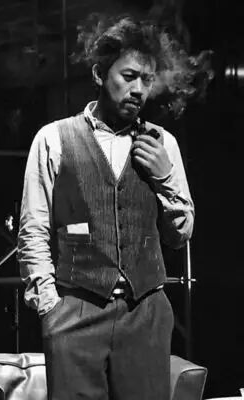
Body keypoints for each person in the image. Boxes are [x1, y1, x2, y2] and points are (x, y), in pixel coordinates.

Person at [17, 14, 196, 400]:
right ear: (100, 74)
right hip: (75, 311)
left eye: (147, 80)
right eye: (128, 76)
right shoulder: (54, 138)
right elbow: (33, 229)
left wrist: (165, 177)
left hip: (145, 313)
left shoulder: (162, 144)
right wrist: (51, 308)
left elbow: (179, 235)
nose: (138, 90)